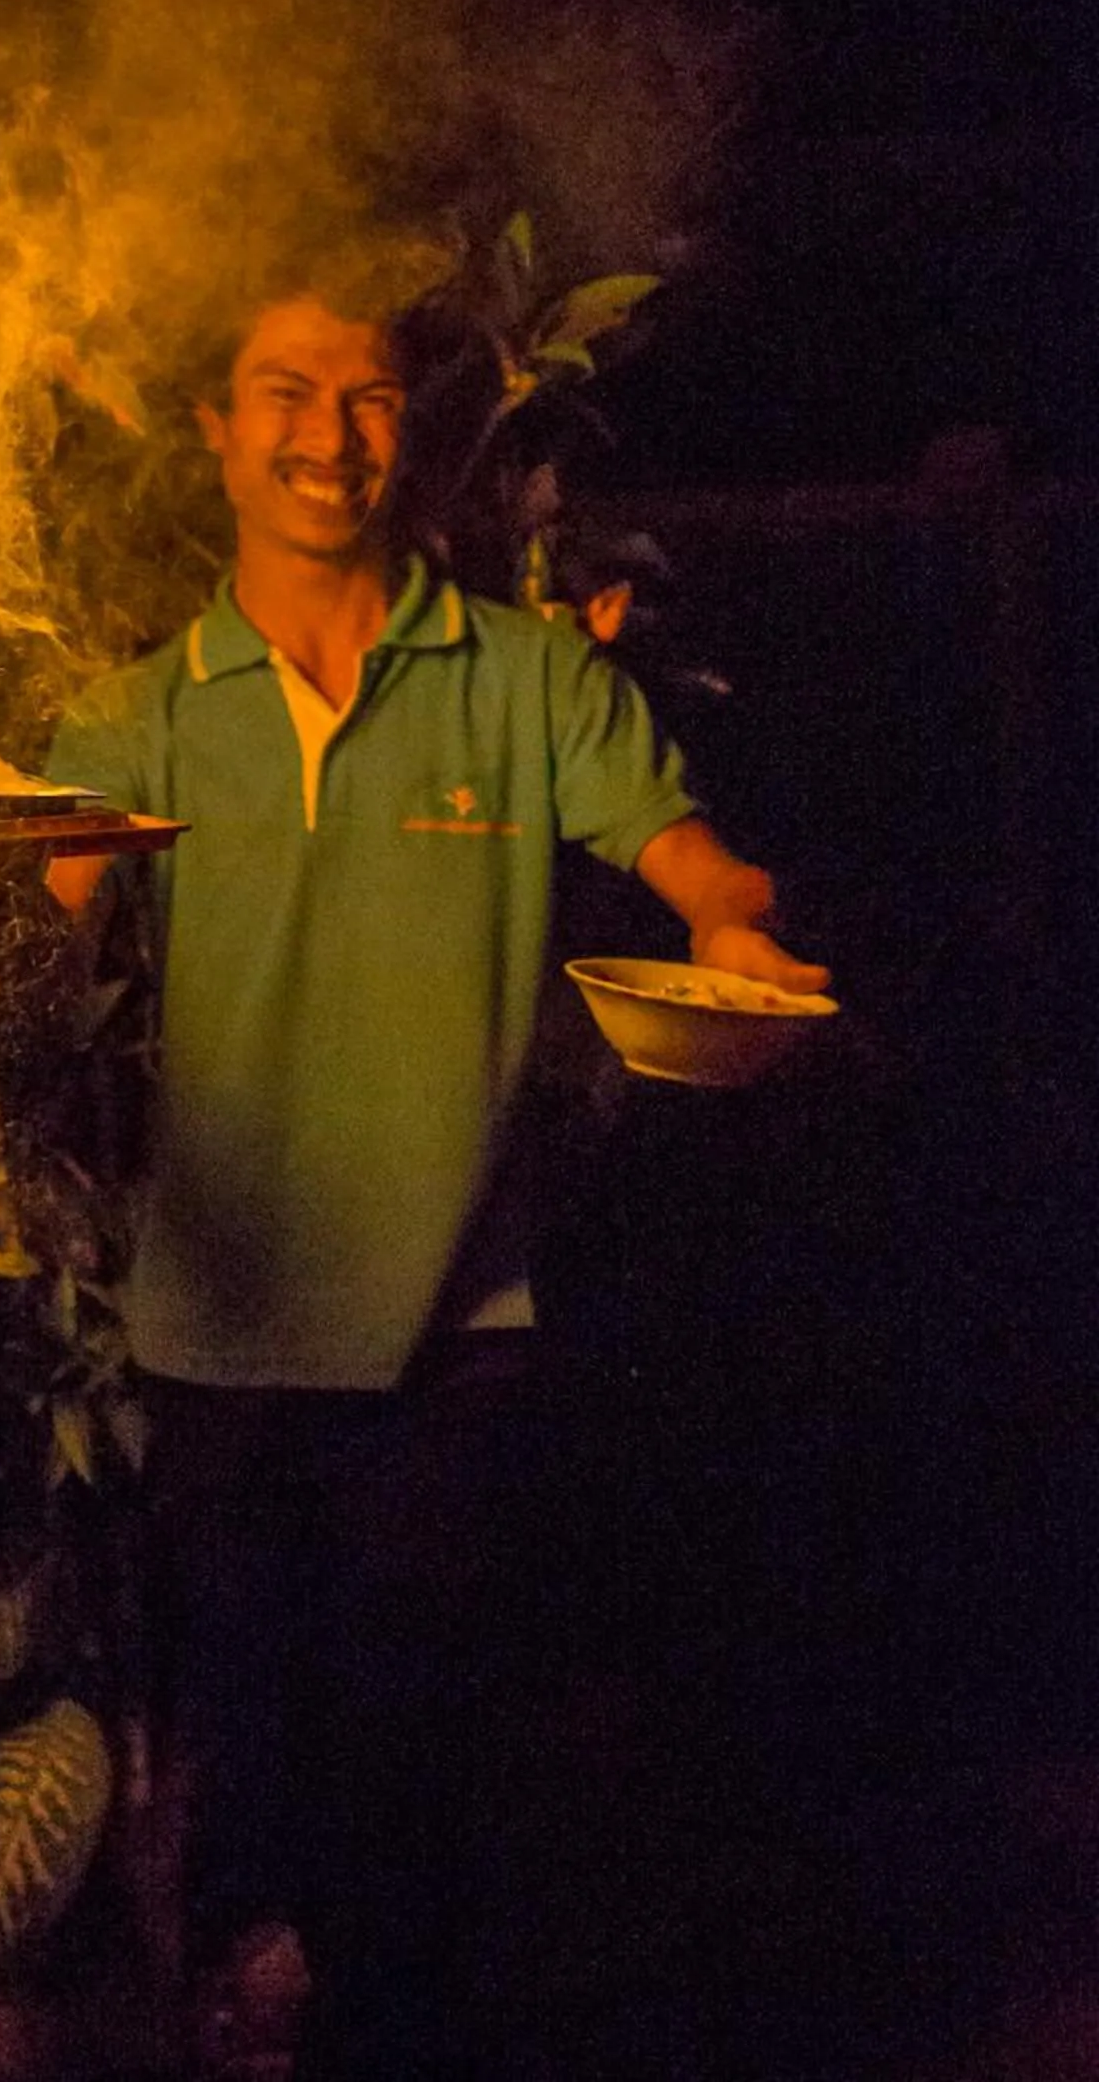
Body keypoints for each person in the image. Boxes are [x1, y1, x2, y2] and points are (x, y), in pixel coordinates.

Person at [44, 262, 827, 2081]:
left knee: (419, 1771)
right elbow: (29, 918)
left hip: (454, 1325)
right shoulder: (139, 716)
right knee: (250, 1753)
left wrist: (741, 928)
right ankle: (252, 2020)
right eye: (285, 392)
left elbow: (698, 866)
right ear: (217, 431)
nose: (331, 436)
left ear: (417, 429)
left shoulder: (529, 680)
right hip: (213, 1329)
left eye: (371, 396)